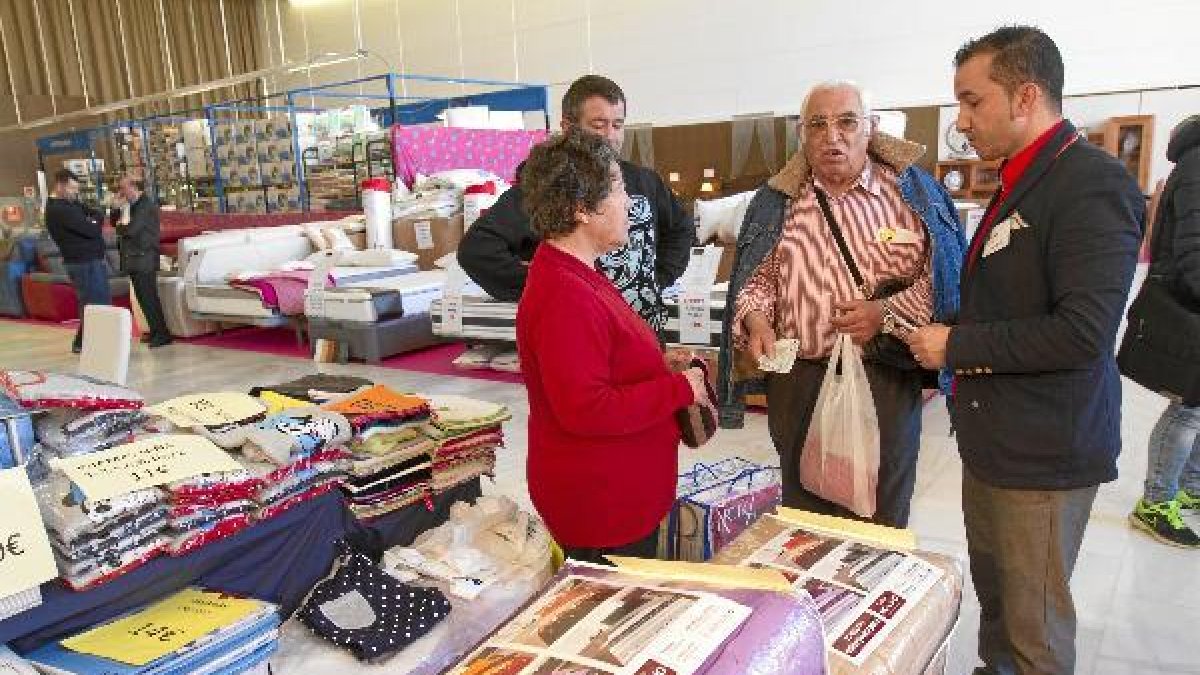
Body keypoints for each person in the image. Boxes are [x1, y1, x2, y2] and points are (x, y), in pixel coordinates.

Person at [905, 26, 1144, 674]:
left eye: (971, 101)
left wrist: (956, 344)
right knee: (1001, 610)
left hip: (1045, 455)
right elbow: (1010, 299)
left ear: (1025, 95)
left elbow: (1082, 331)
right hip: (997, 445)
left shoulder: (1090, 185)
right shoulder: (1019, 180)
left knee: (1034, 629)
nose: (960, 121)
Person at [716, 80, 966, 528]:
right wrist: (755, 320)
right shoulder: (777, 202)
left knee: (881, 510)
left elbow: (941, 278)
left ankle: (876, 591)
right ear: (802, 135)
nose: (833, 136)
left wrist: (884, 314)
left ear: (869, 129)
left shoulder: (913, 194)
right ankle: (812, 596)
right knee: (804, 514)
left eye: (847, 122)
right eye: (818, 124)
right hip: (799, 381)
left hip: (883, 376)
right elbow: (759, 282)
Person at [515, 129, 709, 563]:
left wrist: (657, 364)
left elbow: (601, 361)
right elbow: (586, 407)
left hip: (615, 496)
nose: (631, 204)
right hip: (600, 506)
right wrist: (679, 389)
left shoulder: (579, 273)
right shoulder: (565, 293)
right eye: (620, 189)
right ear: (583, 208)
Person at [458, 74, 694, 332]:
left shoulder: (645, 181)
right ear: (569, 127)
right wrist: (549, 285)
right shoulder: (547, 188)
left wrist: (657, 278)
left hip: (643, 333)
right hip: (581, 332)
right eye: (598, 125)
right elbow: (477, 251)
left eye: (617, 125)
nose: (611, 136)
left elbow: (681, 228)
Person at [1129, 114, 1200, 548]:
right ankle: (1155, 502)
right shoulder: (1196, 165)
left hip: (1188, 300)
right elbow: (1193, 246)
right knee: (1187, 409)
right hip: (1186, 306)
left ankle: (1190, 491)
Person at [44, 169, 111, 354]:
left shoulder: (70, 203)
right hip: (83, 263)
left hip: (90, 260)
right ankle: (89, 343)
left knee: (96, 302)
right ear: (60, 186)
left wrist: (94, 221)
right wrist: (94, 223)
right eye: (72, 188)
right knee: (94, 303)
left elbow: (96, 214)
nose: (75, 192)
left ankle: (85, 342)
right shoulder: (59, 209)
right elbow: (92, 230)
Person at [113, 176, 172, 348]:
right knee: (141, 298)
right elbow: (114, 223)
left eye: (123, 188)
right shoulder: (129, 207)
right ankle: (154, 330)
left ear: (134, 187)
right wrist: (115, 210)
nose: (120, 192)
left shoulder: (145, 206)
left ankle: (162, 334)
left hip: (144, 258)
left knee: (149, 297)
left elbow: (131, 230)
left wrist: (119, 227)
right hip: (134, 259)